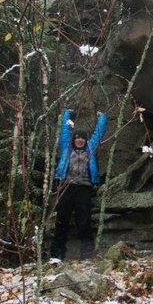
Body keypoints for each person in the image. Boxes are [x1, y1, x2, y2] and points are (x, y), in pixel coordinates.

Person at [50, 109, 107, 260]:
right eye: (77, 138)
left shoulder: (90, 148)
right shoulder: (66, 149)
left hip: (84, 189)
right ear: (73, 139)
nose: (80, 140)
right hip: (66, 187)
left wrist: (102, 117)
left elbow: (99, 133)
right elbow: (63, 132)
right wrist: (67, 114)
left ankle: (87, 256)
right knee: (62, 220)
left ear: (86, 140)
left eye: (83, 138)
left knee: (84, 222)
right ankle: (56, 256)